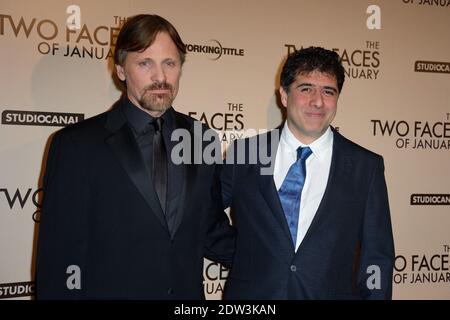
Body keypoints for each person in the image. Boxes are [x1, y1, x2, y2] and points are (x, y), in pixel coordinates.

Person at [35, 14, 234, 299]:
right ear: (120, 70)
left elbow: (209, 228)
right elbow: (61, 256)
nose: (161, 77)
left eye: (170, 63)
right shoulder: (77, 145)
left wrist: (278, 259)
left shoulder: (202, 139)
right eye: (145, 63)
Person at [221, 47, 395, 299]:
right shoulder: (245, 154)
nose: (318, 101)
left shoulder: (365, 167)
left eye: (328, 91)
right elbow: (202, 215)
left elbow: (377, 257)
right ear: (283, 95)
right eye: (306, 89)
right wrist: (244, 253)